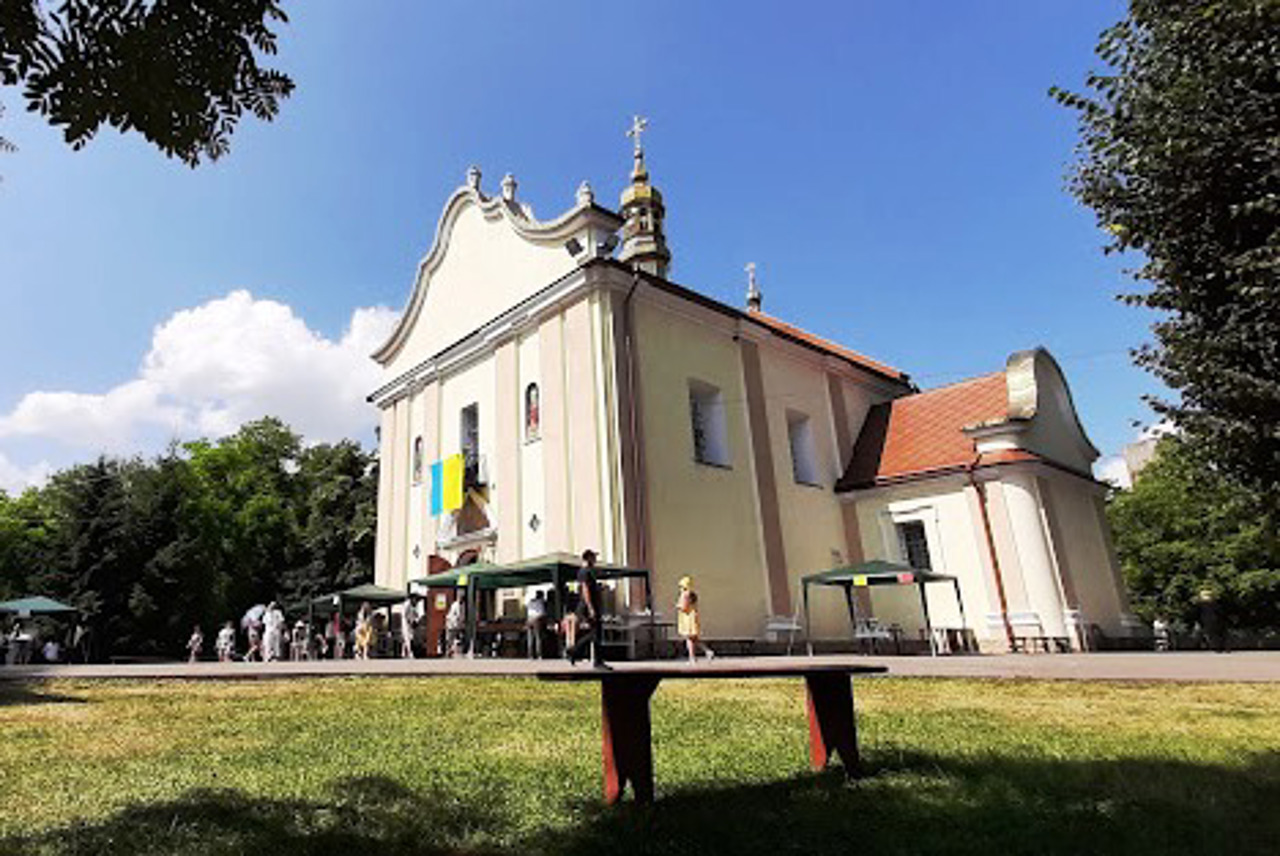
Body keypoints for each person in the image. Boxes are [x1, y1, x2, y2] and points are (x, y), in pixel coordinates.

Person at [567, 549, 607, 668]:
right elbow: (585, 590)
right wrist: (590, 607)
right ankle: (596, 661)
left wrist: (599, 590)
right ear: (588, 558)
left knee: (595, 633)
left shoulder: (589, 571)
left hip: (590, 605)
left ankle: (574, 652)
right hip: (588, 606)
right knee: (596, 633)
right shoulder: (584, 572)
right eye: (594, 557)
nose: (595, 559)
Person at [676, 576, 714, 664]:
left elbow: (684, 607)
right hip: (692, 617)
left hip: (687, 618)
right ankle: (707, 651)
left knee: (689, 639)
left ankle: (692, 658)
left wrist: (678, 606)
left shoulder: (685, 594)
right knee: (694, 639)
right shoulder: (692, 594)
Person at [525, 590, 547, 659]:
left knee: (530, 638)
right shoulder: (540, 602)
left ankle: (530, 654)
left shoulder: (530, 602)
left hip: (529, 619)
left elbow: (527, 610)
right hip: (537, 619)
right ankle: (539, 654)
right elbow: (542, 613)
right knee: (538, 637)